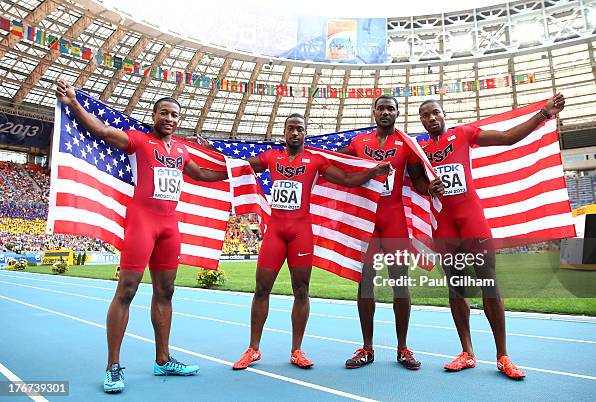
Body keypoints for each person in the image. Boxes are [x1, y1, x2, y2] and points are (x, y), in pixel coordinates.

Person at [56, 79, 229, 393]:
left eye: (174, 115)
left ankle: (163, 359)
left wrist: (235, 168)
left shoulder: (181, 149)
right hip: (142, 223)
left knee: (166, 292)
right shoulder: (138, 140)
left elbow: (202, 174)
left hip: (169, 227)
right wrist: (74, 103)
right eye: (164, 113)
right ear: (154, 115)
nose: (169, 119)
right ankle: (112, 366)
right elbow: (103, 132)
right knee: (127, 290)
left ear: (179, 120)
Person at [417, 93, 565, 379]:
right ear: (422, 121)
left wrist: (544, 114)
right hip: (444, 223)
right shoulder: (420, 149)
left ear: (443, 114)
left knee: (489, 283)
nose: (432, 118)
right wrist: (428, 188)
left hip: (471, 219)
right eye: (426, 115)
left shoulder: (463, 134)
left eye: (435, 113)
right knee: (456, 287)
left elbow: (509, 137)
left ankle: (503, 356)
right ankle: (467, 353)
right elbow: (417, 181)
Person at [232, 113, 391, 370]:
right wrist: (212, 152)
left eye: (300, 129)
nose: (295, 133)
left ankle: (297, 350)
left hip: (301, 232)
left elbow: (348, 180)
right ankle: (253, 349)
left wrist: (373, 171)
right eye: (291, 129)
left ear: (305, 133)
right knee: (261, 288)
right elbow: (240, 165)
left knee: (301, 290)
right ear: (284, 132)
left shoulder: (316, 160)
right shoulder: (271, 157)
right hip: (275, 231)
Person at [338, 95, 444, 370]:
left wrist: (429, 189)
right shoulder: (359, 143)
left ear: (397, 113)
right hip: (367, 222)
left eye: (390, 109)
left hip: (394, 220)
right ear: (373, 112)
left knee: (400, 284)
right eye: (381, 108)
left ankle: (403, 348)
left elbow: (418, 180)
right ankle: (367, 348)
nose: (385, 112)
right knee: (365, 284)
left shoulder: (406, 144)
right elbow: (335, 164)